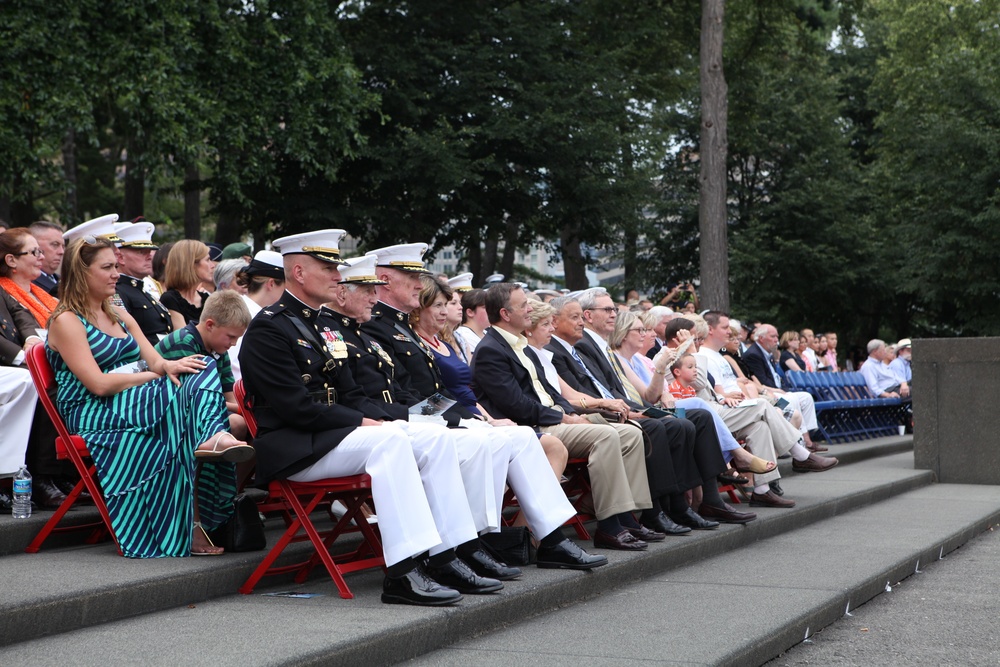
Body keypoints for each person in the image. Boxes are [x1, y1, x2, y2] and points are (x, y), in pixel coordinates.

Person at [239, 231, 510, 606]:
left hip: (343, 432)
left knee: (449, 437)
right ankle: (402, 571)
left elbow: (383, 394)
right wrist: (378, 423)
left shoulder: (330, 326)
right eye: (329, 267)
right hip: (298, 445)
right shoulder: (272, 326)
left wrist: (458, 416)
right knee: (398, 439)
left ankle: (450, 552)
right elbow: (298, 408)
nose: (339, 276)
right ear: (298, 272)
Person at [361, 244, 609, 566]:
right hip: (409, 423)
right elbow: (405, 396)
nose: (419, 284)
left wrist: (468, 414)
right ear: (386, 280)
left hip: (430, 417)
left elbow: (428, 392)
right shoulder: (377, 327)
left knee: (519, 438)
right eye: (411, 277)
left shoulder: (399, 327)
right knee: (488, 439)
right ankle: (476, 542)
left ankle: (549, 538)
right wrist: (463, 416)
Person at [46, 237, 253, 558]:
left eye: (116, 265)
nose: (117, 273)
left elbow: (155, 359)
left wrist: (170, 367)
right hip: (92, 410)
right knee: (185, 399)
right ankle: (195, 505)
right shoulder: (66, 320)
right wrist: (162, 373)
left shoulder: (116, 310)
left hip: (130, 399)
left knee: (200, 364)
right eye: (107, 267)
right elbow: (98, 384)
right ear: (82, 272)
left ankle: (201, 489)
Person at [471, 283, 660, 548]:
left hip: (553, 418)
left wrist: (570, 411)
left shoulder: (522, 346)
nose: (529, 309)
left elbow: (551, 392)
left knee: (630, 433)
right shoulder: (491, 350)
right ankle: (608, 526)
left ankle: (627, 517)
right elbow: (516, 405)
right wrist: (563, 417)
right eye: (523, 305)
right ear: (505, 313)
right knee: (606, 436)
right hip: (534, 426)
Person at [0, 287, 44, 512]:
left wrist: (32, 338)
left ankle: (11, 478)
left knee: (29, 381)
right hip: (7, 361)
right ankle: (8, 476)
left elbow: (21, 312)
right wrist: (22, 357)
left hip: (9, 363)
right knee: (26, 380)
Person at [229, 250, 286, 383]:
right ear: (271, 284)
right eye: (285, 286)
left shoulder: (261, 312)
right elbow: (234, 367)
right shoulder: (240, 312)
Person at [113, 222, 174, 346]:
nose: (149, 257)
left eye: (149, 251)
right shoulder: (117, 291)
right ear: (120, 258)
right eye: (141, 252)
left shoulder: (143, 290)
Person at [0, 228, 59, 329]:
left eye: (40, 251)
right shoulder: (4, 300)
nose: (42, 257)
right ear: (11, 260)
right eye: (34, 252)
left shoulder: (47, 297)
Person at [160, 239, 215, 330]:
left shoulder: (207, 299)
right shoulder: (170, 299)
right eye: (208, 260)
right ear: (191, 264)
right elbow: (185, 339)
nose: (212, 265)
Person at [453, 288, 489, 363]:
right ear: (470, 312)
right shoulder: (463, 335)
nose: (491, 311)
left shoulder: (487, 333)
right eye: (485, 307)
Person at [29, 221, 65, 296]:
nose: (61, 252)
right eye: (55, 244)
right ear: (35, 244)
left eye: (63, 246)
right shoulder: (27, 282)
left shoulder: (64, 281)